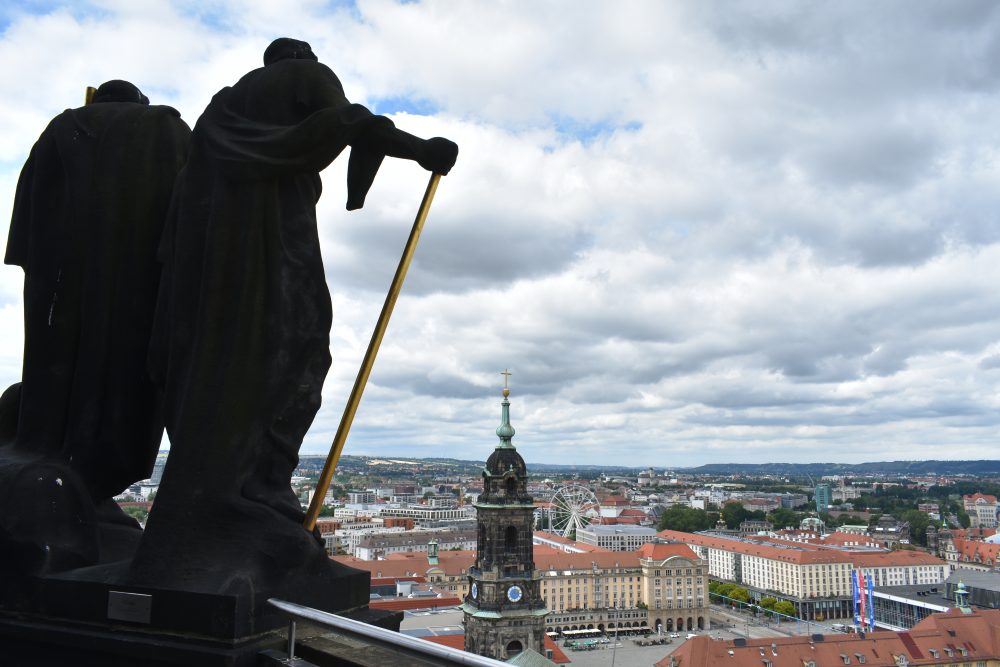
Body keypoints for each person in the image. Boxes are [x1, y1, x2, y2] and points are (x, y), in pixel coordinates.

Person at [129, 38, 457, 592]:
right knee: (300, 353)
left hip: (211, 267)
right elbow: (351, 123)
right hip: (275, 244)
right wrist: (424, 149)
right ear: (300, 58)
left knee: (220, 366)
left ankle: (229, 490)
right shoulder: (304, 75)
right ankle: (258, 493)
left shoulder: (222, 107)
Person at [1, 80, 191, 574]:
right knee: (124, 386)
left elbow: (24, 228)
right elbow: (193, 205)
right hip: (137, 282)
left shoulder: (60, 129)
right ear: (138, 102)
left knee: (55, 382)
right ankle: (89, 484)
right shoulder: (162, 128)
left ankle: (68, 472)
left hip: (59, 288)